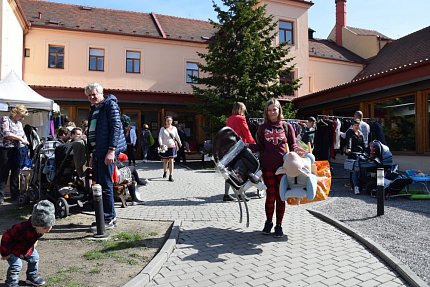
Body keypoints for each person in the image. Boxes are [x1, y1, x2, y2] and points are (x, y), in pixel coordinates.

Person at [250, 99, 305, 238]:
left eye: (274, 109)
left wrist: (299, 151)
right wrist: (247, 146)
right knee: (270, 196)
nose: (272, 112)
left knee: (281, 196)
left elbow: (293, 145)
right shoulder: (262, 128)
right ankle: (268, 222)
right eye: (269, 110)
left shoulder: (286, 126)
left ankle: (278, 225)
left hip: (284, 167)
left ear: (279, 110)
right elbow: (260, 147)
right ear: (266, 112)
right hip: (267, 167)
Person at [86, 82, 126, 230]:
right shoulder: (95, 108)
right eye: (89, 95)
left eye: (94, 94)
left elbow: (116, 126)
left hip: (106, 152)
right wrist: (92, 153)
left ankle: (109, 218)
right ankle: (104, 217)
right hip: (98, 152)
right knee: (100, 186)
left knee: (106, 186)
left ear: (101, 93)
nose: (92, 97)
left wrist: (111, 150)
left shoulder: (110, 105)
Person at [1, 200, 55, 287]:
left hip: (26, 249)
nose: (48, 229)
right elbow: (6, 237)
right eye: (45, 227)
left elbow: (35, 237)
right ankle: (11, 283)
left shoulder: (40, 229)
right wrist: (5, 253)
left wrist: (34, 244)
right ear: (35, 225)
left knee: (35, 257)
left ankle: (31, 276)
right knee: (16, 265)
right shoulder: (21, 228)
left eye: (51, 226)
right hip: (13, 250)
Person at [224, 102, 256, 202]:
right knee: (241, 170)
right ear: (241, 109)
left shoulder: (230, 118)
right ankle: (241, 194)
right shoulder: (241, 118)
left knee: (229, 171)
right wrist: (254, 144)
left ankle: (226, 194)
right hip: (239, 148)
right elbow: (247, 132)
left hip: (229, 147)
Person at [0, 104, 30, 204]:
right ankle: (1, 196)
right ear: (16, 113)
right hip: (5, 149)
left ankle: (15, 195)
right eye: (22, 116)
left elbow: (23, 134)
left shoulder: (19, 123)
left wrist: (25, 140)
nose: (23, 118)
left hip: (17, 150)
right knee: (4, 172)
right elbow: (6, 134)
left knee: (16, 172)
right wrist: (21, 139)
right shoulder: (5, 119)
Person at [345, 119, 366, 195]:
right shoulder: (349, 132)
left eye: (358, 125)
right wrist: (349, 148)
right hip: (353, 154)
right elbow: (349, 140)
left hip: (360, 155)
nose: (357, 127)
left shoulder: (360, 133)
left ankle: (361, 185)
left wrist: (368, 150)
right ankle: (356, 187)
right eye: (355, 125)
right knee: (355, 171)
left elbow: (363, 144)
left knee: (363, 170)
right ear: (352, 126)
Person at [158, 116, 181, 182]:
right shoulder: (162, 129)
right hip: (165, 147)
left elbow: (177, 136)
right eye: (167, 120)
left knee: (171, 160)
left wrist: (180, 142)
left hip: (172, 146)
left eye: (170, 120)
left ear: (172, 121)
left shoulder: (174, 128)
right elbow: (160, 137)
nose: (169, 122)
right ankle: (165, 171)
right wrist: (161, 144)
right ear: (165, 121)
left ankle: (170, 176)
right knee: (165, 161)